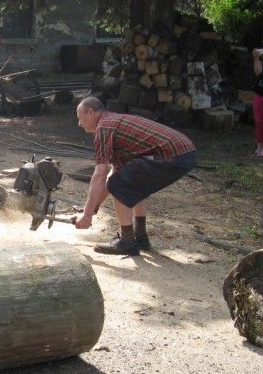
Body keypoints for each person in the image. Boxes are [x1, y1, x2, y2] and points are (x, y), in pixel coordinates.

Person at [73, 97, 197, 256]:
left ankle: (127, 242)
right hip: (186, 153)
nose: (79, 123)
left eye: (80, 118)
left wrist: (87, 216)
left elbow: (100, 175)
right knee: (130, 182)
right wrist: (91, 208)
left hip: (173, 154)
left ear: (90, 112)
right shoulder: (113, 122)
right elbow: (114, 172)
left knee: (119, 185)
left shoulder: (103, 128)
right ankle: (140, 237)